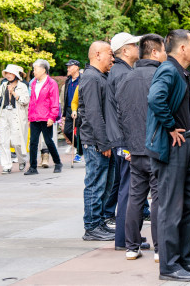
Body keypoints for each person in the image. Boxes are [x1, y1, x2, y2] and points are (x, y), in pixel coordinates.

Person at [146, 29, 190, 281]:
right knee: (172, 208)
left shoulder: (178, 72)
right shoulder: (169, 70)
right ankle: (169, 267)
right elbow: (154, 98)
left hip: (181, 147)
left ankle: (183, 260)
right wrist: (171, 126)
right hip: (171, 148)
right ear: (182, 49)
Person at [117, 34, 165, 261]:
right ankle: (159, 247)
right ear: (155, 52)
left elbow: (120, 114)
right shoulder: (161, 76)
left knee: (136, 197)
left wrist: (127, 144)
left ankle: (131, 246)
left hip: (134, 147)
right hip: (156, 146)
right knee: (158, 197)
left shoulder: (127, 77)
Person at [105, 32, 140, 249]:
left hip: (120, 138)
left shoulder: (120, 71)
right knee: (128, 189)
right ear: (125, 50)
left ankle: (125, 237)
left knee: (126, 188)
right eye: (134, 45)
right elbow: (126, 111)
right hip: (124, 139)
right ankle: (126, 239)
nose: (138, 47)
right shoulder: (123, 74)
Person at [79, 41, 116, 242]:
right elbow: (93, 114)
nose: (113, 58)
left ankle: (99, 221)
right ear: (98, 54)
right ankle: (92, 226)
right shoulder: (92, 78)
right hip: (95, 142)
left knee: (105, 184)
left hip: (101, 141)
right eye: (110, 54)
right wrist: (103, 143)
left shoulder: (100, 76)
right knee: (95, 183)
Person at [25, 59, 63, 175]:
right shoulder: (33, 83)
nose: (33, 71)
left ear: (43, 70)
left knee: (48, 141)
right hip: (35, 117)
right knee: (33, 142)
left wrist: (52, 117)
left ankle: (57, 162)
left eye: (35, 69)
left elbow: (55, 102)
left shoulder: (52, 83)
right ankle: (33, 167)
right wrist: (29, 117)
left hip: (46, 117)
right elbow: (32, 101)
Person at [0, 64, 29, 173]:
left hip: (16, 114)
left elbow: (25, 101)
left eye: (10, 73)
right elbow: (0, 99)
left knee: (16, 141)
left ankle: (22, 160)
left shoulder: (22, 86)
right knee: (4, 140)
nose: (8, 75)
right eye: (7, 73)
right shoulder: (3, 85)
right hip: (4, 114)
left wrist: (13, 92)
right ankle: (6, 165)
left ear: (16, 75)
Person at [61, 60, 83, 163]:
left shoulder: (82, 79)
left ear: (77, 67)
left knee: (79, 132)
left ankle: (79, 153)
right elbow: (65, 97)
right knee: (67, 131)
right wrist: (64, 114)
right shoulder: (68, 80)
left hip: (79, 109)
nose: (68, 68)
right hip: (69, 108)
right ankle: (81, 149)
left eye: (70, 66)